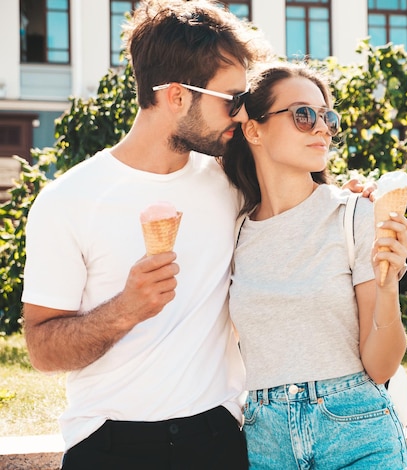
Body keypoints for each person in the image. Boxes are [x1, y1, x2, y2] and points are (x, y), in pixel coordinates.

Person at [21, 1, 267, 468]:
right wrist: (124, 311)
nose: (241, 115)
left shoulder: (234, 184)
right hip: (108, 444)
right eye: (231, 100)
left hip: (215, 437)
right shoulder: (68, 200)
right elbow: (41, 348)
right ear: (176, 95)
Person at [221, 62, 407, 469]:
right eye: (302, 115)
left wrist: (387, 285)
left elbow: (382, 367)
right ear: (253, 129)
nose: (322, 128)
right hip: (265, 439)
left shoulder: (356, 216)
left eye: (328, 116)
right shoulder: (233, 232)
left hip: (357, 431)